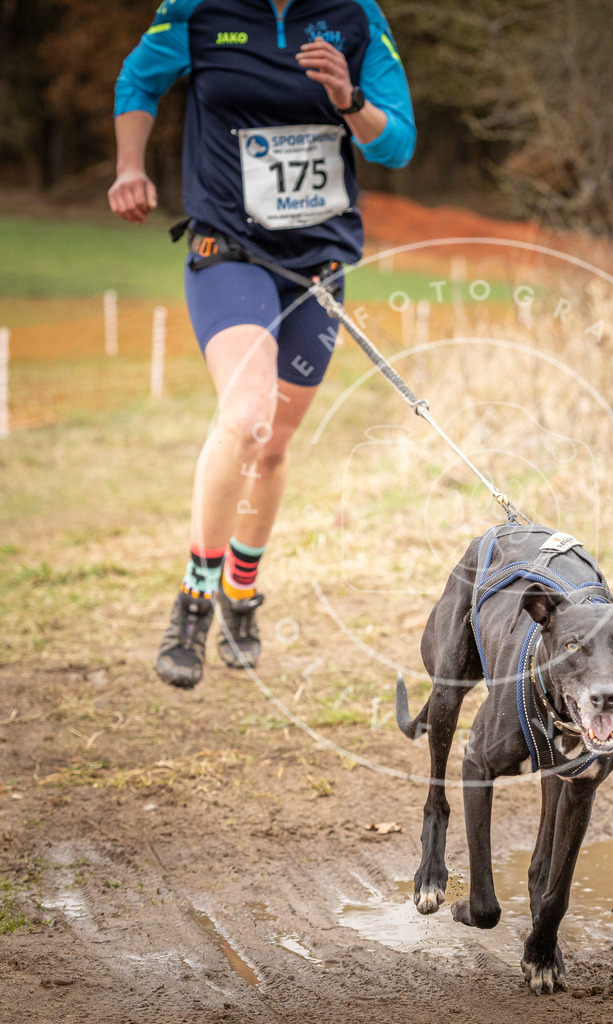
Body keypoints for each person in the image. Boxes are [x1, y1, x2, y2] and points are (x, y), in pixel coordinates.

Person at [108, 0, 415, 688]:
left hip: (319, 263)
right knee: (247, 414)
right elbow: (138, 81)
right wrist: (131, 164)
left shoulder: (355, 16)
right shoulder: (197, 10)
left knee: (273, 442)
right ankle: (193, 599)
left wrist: (349, 99)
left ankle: (240, 593)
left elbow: (394, 144)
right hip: (230, 249)